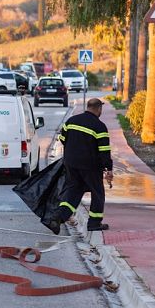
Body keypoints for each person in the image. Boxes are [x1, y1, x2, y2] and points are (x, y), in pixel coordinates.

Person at [44, 98, 113, 234]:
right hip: (90, 166)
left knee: (73, 191)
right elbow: (104, 150)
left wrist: (73, 152)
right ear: (99, 109)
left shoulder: (71, 121)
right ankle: (94, 223)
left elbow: (63, 139)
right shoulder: (99, 126)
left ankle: (58, 218)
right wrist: (108, 168)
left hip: (71, 163)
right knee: (97, 193)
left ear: (88, 107)